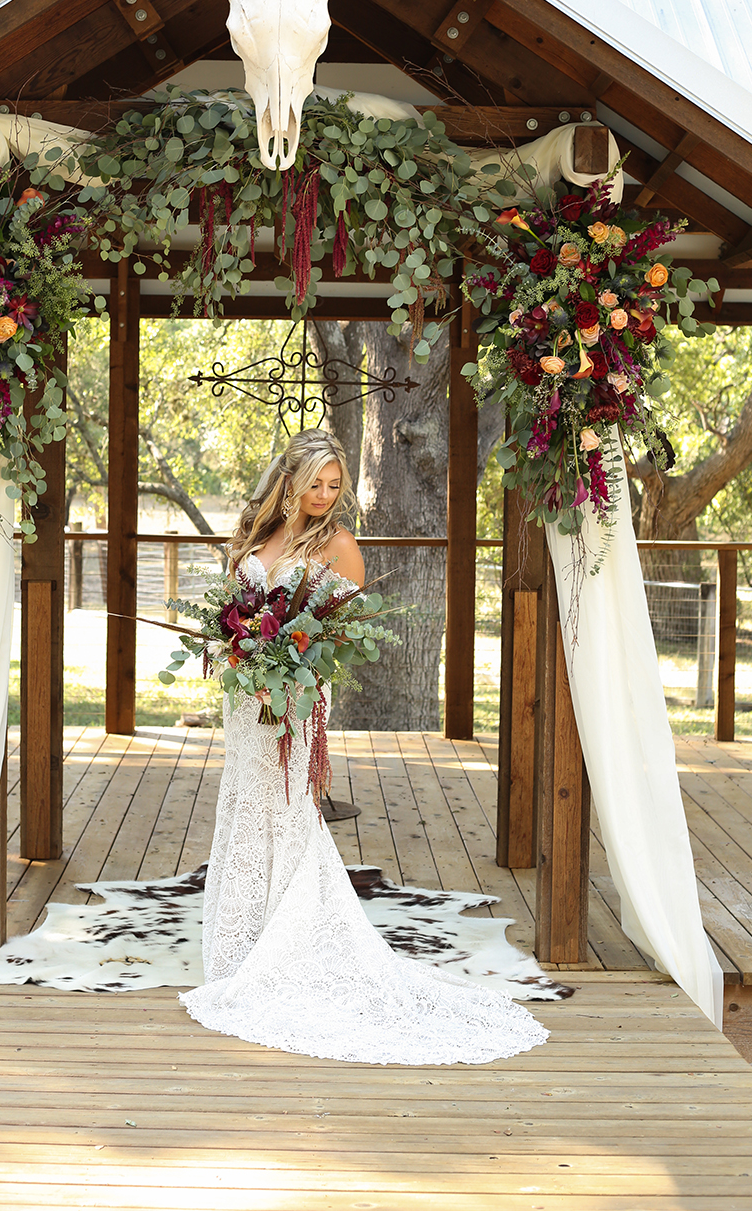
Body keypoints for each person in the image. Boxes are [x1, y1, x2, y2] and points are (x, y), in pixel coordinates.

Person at [179, 428, 548, 1065]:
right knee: (245, 804)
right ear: (288, 479)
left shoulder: (339, 545)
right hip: (245, 698)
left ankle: (291, 943)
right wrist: (232, 647)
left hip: (293, 695)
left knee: (287, 807)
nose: (324, 496)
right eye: (315, 483)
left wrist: (290, 672)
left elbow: (341, 634)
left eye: (334, 485)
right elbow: (231, 609)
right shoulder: (252, 535)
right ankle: (241, 945)